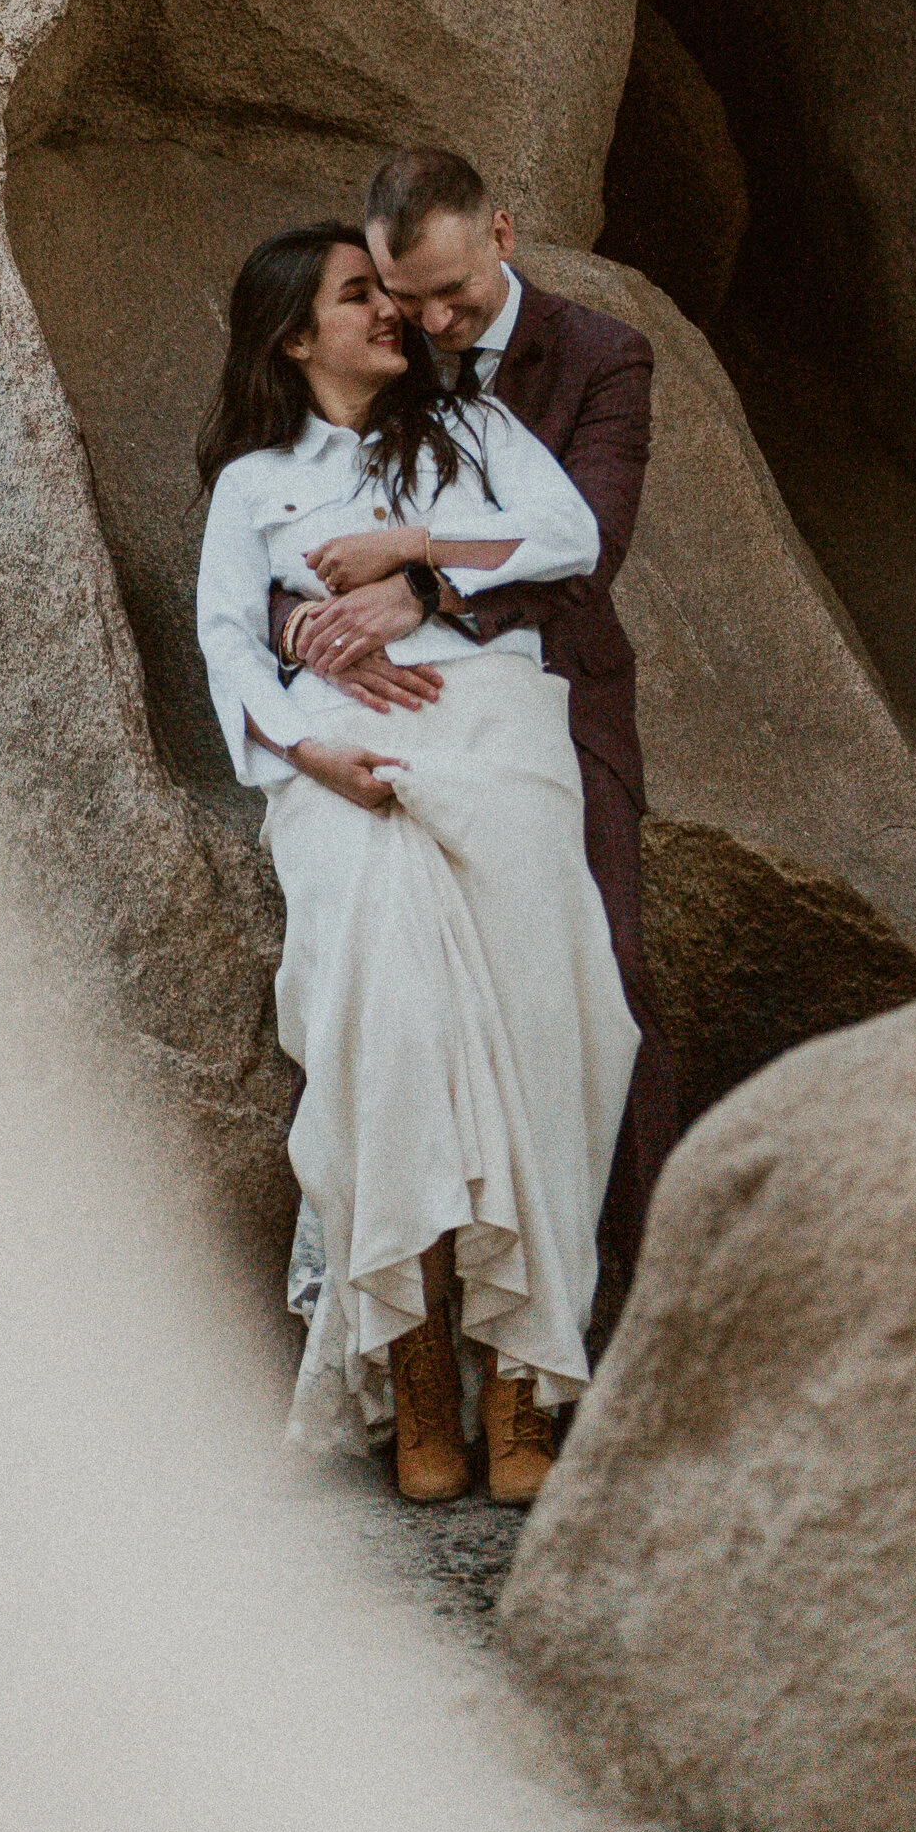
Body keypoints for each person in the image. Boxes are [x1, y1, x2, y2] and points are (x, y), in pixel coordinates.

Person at [195, 223, 639, 1505]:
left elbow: (566, 540)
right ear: (295, 335)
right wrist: (302, 752)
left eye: (388, 292)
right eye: (357, 297)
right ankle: (419, 1361)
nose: (388, 312)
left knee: (552, 1025)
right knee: (389, 1032)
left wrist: (416, 558)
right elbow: (228, 645)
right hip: (347, 765)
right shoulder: (253, 483)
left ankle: (524, 1376)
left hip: (498, 738)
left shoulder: (476, 435)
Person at [268, 147, 679, 1294]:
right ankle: (396, 1311)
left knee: (609, 970)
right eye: (410, 298)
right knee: (371, 968)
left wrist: (422, 586)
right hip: (383, 707)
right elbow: (264, 516)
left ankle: (645, 1297)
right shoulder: (373, 347)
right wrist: (300, 628)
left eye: (456, 291)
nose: (437, 319)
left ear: (502, 232)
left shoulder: (601, 356)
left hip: (554, 686)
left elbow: (586, 548)